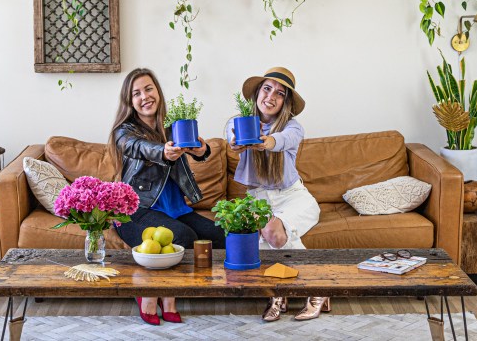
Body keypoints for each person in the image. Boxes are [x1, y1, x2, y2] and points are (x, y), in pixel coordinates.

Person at [108, 68, 226, 326]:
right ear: (130, 102)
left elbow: (195, 150)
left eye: (148, 89)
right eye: (136, 93)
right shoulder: (123, 132)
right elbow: (140, 148)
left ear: (158, 92)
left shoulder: (173, 128)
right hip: (135, 212)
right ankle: (151, 293)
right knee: (183, 237)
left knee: (220, 236)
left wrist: (202, 150)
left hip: (176, 210)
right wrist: (163, 151)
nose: (144, 96)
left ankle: (164, 290)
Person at [226, 67, 329, 322]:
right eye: (267, 88)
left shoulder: (294, 128)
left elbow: (280, 140)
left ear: (286, 102)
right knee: (265, 235)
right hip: (258, 198)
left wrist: (264, 141)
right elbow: (232, 136)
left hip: (294, 197)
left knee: (271, 232)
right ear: (258, 93)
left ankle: (311, 291)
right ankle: (284, 294)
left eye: (280, 93)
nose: (271, 96)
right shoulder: (238, 121)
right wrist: (238, 140)